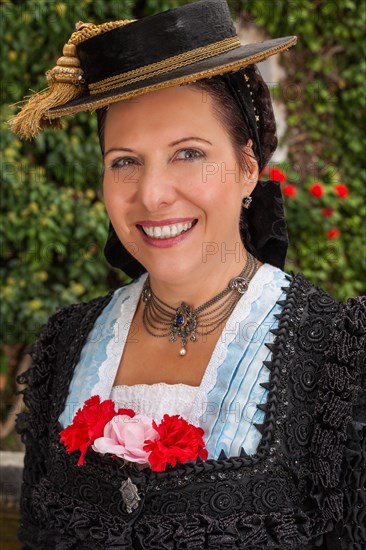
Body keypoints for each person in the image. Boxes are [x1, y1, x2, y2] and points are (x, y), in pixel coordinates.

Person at [10, 0, 365, 548]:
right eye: (124, 160)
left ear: (248, 167)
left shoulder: (340, 356)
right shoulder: (67, 345)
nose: (151, 195)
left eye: (189, 153)